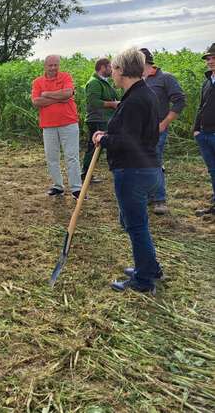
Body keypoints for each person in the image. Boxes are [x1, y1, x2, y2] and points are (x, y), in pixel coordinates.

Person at [92, 47, 163, 294]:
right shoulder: (143, 93)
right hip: (146, 168)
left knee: (136, 225)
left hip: (133, 171)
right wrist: (110, 136)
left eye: (114, 69)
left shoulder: (135, 100)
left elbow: (128, 141)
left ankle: (143, 280)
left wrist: (103, 139)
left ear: (122, 70)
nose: (112, 73)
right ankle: (150, 266)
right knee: (137, 223)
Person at [140, 48, 186, 215]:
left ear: (145, 63)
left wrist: (165, 122)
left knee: (155, 161)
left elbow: (180, 101)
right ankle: (149, 195)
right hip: (140, 130)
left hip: (157, 129)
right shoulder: (139, 81)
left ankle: (160, 199)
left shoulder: (165, 78)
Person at [31, 55, 83, 199]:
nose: (53, 68)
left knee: (71, 156)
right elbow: (36, 101)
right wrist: (60, 98)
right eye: (50, 65)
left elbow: (67, 93)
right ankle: (58, 186)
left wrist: (47, 94)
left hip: (69, 123)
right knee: (51, 157)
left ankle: (76, 189)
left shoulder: (66, 77)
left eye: (56, 65)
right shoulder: (37, 82)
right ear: (45, 66)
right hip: (48, 125)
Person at [82, 58, 119, 182]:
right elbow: (93, 102)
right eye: (109, 67)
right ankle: (85, 174)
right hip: (97, 119)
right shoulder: (94, 83)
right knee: (94, 147)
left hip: (104, 118)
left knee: (98, 147)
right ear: (102, 68)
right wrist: (112, 104)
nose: (111, 70)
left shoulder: (103, 82)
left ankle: (87, 174)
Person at [193, 43, 215, 217]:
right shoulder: (207, 82)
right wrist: (196, 130)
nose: (211, 61)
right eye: (208, 58)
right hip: (204, 134)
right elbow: (201, 107)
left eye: (214, 57)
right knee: (213, 170)